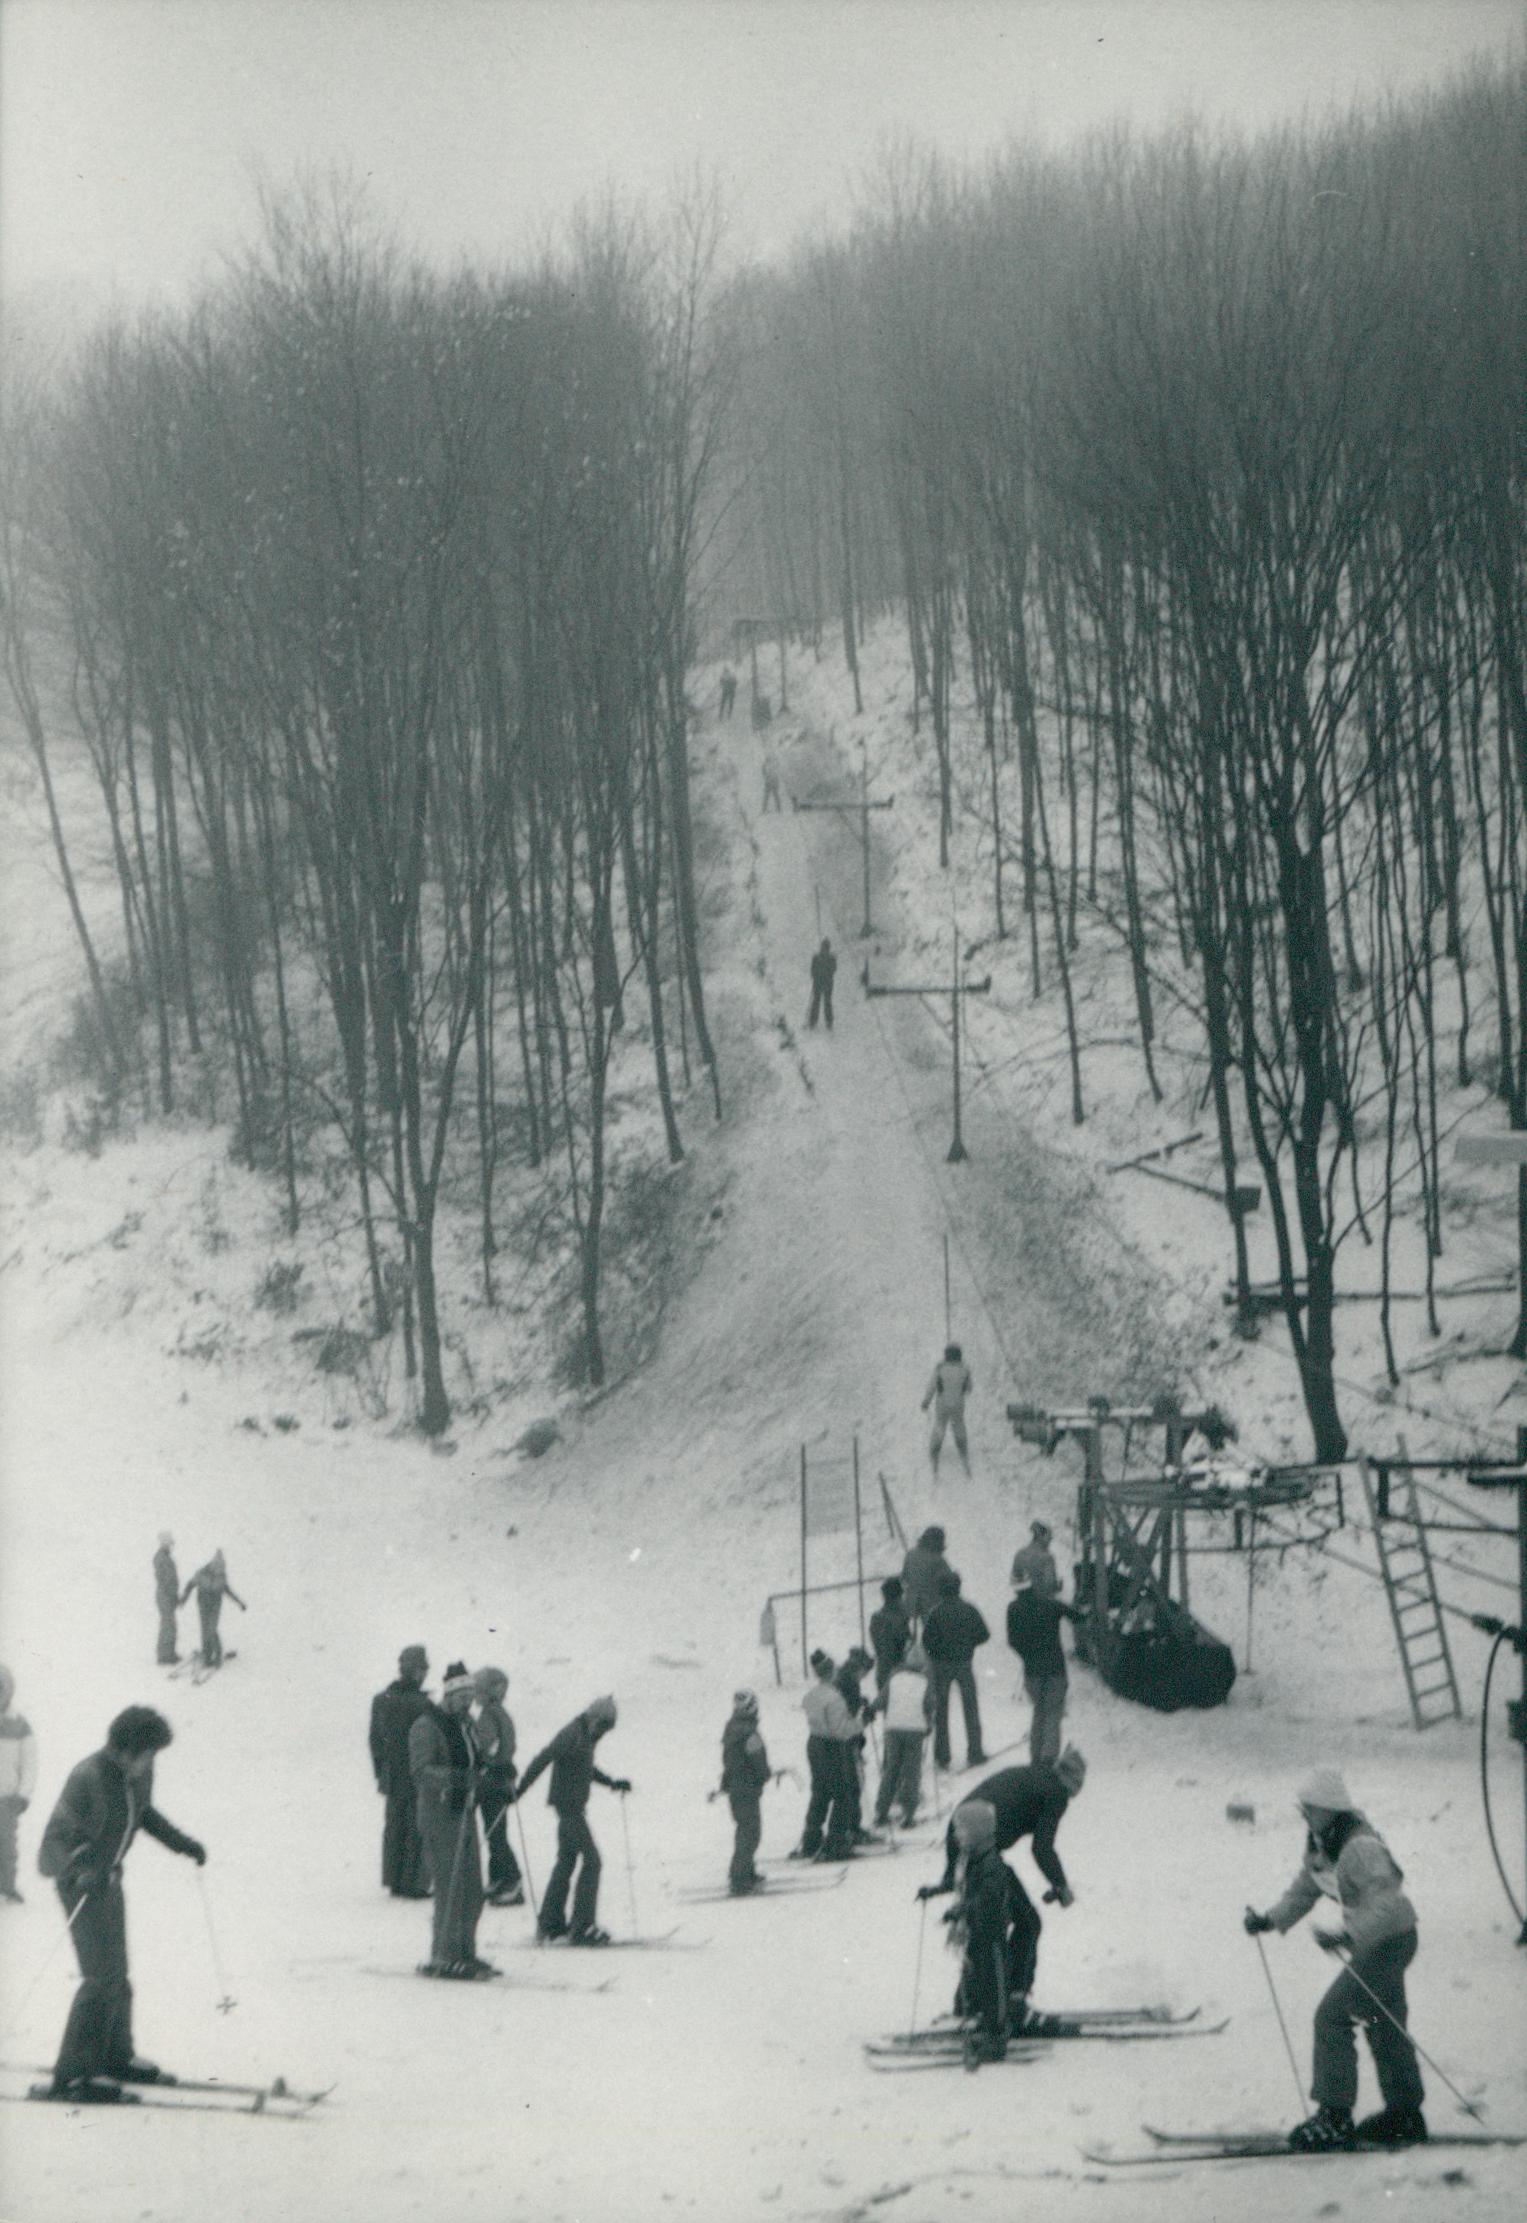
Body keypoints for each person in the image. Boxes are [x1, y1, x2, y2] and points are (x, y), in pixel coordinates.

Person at [1244, 1766, 1426, 2151]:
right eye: (1302, 1808)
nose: (1304, 1814)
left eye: (1309, 1807)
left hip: (1390, 1940)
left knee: (1332, 2015)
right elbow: (1305, 1888)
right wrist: (1269, 1919)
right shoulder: (1325, 1841)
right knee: (1383, 2019)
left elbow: (1391, 1904)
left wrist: (1348, 1934)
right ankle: (1405, 2113)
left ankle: (1334, 2115)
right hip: (1377, 1942)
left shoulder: (1360, 1847)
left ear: (1329, 1807)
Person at [36, 1705, 206, 2100]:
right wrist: (82, 1871)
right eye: (146, 1754)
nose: (150, 1763)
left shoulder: (138, 1773)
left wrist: (181, 1844)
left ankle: (114, 2057)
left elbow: (142, 1814)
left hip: (109, 1882)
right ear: (123, 1749)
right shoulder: (87, 1777)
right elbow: (54, 1842)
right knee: (99, 1978)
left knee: (118, 1974)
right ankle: (75, 2074)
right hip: (79, 1884)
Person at [923, 1750, 1086, 2032]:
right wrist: (1060, 1886)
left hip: (962, 1830)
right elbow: (1042, 1848)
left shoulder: (1037, 1773)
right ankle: (1014, 2003)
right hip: (982, 1845)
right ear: (1072, 1781)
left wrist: (952, 1874)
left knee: (984, 1925)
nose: (1071, 1797)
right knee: (1026, 1922)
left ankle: (971, 2002)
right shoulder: (1056, 1791)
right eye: (1075, 1789)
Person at [514, 1695, 631, 1944]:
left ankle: (549, 1923)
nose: (603, 1733)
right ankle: (582, 1926)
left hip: (573, 1806)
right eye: (603, 1726)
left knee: (566, 1861)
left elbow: (585, 1767)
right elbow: (544, 1758)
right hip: (567, 1807)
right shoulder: (572, 1733)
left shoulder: (587, 1734)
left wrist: (612, 1782)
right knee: (593, 1860)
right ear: (594, 1717)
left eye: (608, 1729)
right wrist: (520, 1789)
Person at [409, 1661, 491, 1978]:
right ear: (449, 1694)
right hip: (439, 1814)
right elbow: (421, 1771)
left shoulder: (465, 1723)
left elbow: (477, 1755)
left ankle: (465, 1951)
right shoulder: (427, 1725)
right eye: (462, 1696)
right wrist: (459, 1778)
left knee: (473, 1888)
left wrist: (493, 1770)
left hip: (465, 1812)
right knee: (450, 1886)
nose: (467, 1702)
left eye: (471, 1696)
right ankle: (443, 1954)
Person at [943, 1800, 1014, 2063]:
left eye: (961, 1831)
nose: (956, 1836)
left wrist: (963, 1910)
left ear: (977, 1833)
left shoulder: (991, 1865)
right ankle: (984, 2022)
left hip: (992, 1935)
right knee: (979, 1979)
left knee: (993, 1983)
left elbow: (987, 1900)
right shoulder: (973, 1860)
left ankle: (996, 2037)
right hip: (978, 1933)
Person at [369, 1646, 432, 1898]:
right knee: (416, 1827)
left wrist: (381, 1771)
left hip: (391, 1776)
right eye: (423, 1669)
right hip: (416, 1775)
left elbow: (374, 1740)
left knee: (394, 1827)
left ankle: (393, 1880)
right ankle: (413, 1883)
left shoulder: (382, 1700)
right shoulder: (423, 1704)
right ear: (417, 1672)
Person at [1005, 1564, 1081, 1766]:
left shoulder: (1013, 1609)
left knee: (1039, 1711)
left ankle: (1035, 1756)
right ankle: (1049, 1757)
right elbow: (1077, 1616)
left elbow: (1012, 1641)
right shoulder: (1051, 1604)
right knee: (1053, 1713)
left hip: (1032, 1672)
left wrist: (1027, 1656)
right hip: (1055, 1668)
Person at [793, 1650, 857, 1862]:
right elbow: (840, 1730)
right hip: (831, 1747)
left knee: (820, 1791)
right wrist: (862, 1722)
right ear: (831, 1672)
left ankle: (811, 1839)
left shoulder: (811, 1696)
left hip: (814, 1743)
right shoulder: (834, 1698)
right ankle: (836, 1842)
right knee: (841, 1793)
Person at [922, 1570, 989, 1770]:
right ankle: (975, 1752)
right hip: (964, 1664)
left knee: (941, 1710)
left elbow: (926, 1642)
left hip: (941, 1665)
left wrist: (938, 1652)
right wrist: (969, 1644)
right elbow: (984, 1634)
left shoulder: (935, 1612)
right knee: (971, 1707)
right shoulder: (969, 1609)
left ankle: (942, 1756)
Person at [473, 1666, 524, 1907]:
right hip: (502, 1779)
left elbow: (486, 1745)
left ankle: (511, 1881)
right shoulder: (501, 1713)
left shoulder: (488, 1715)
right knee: (495, 1830)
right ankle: (497, 1879)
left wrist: (483, 1761)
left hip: (492, 1780)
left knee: (495, 1832)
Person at [872, 1642, 932, 1830]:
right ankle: (909, 1814)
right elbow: (929, 1706)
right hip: (915, 1730)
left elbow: (880, 1702)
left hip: (893, 1729)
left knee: (891, 1770)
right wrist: (929, 1724)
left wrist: (872, 1708)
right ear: (922, 1664)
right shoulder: (925, 1682)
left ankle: (881, 1812)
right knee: (912, 1772)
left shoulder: (895, 1679)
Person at [719, 1690, 771, 1894]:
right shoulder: (750, 1732)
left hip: (735, 1786)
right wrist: (765, 1774)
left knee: (744, 1829)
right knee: (750, 1832)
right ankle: (739, 1877)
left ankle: (745, 1871)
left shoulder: (731, 1729)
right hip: (747, 1787)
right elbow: (758, 1760)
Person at [0, 1666, 37, 1904]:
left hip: (7, 1799)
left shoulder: (20, 1725)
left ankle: (7, 1886)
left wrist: (23, 1795)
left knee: (6, 1846)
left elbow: (30, 1764)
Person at [833, 1647, 877, 1843]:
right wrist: (864, 1717)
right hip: (844, 1741)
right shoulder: (848, 1683)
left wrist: (861, 1702)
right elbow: (848, 1717)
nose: (865, 1676)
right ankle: (851, 1828)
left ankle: (851, 1826)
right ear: (858, 1668)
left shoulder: (844, 1679)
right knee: (852, 1784)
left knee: (851, 1783)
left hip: (841, 1739)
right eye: (865, 1672)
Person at [179, 1549, 245, 1668]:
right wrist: (183, 1599)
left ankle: (218, 1655)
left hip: (215, 1606)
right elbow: (190, 1585)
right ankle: (207, 1654)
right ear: (213, 1565)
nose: (219, 1571)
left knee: (212, 1629)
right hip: (203, 1604)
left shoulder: (222, 1576)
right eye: (218, 1568)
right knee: (205, 1631)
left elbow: (228, 1591)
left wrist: (240, 1603)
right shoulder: (201, 1573)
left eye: (222, 1569)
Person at [921, 1344, 973, 1474]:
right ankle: (962, 1448)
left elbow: (932, 1386)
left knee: (940, 1425)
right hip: (958, 1404)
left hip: (942, 1404)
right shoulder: (965, 1369)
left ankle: (935, 1449)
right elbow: (969, 1388)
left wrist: (926, 1401)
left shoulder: (940, 1369)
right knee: (959, 1426)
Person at [900, 1526, 952, 1632]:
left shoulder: (910, 1554)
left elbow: (904, 1578)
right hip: (931, 1604)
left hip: (911, 1602)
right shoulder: (939, 1561)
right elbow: (949, 1583)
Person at [868, 1577, 912, 1692]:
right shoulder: (900, 1618)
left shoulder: (876, 1617)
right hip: (898, 1672)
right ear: (898, 1597)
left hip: (882, 1671)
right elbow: (907, 1643)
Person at [1009, 1520, 1061, 1599]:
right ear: (1041, 1536)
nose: (1050, 1541)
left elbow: (1014, 1583)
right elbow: (1049, 1587)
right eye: (1049, 1537)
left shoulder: (1020, 1554)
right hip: (1041, 1606)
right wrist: (1057, 1586)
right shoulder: (1047, 1558)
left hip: (1022, 1604)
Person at [153, 1534, 180, 1664]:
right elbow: (165, 1579)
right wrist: (172, 1594)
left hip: (168, 1594)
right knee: (167, 1625)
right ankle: (164, 1656)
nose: (171, 1546)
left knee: (170, 1625)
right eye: (169, 1544)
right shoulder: (161, 1558)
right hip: (165, 1595)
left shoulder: (165, 1557)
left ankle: (169, 1652)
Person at [807, 938, 837, 1030]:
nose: (825, 950)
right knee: (816, 1001)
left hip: (827, 983)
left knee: (827, 1002)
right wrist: (816, 975)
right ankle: (813, 1021)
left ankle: (829, 1022)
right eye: (824, 947)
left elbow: (834, 969)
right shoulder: (816, 957)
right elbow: (812, 969)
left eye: (826, 948)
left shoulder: (831, 958)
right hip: (819, 983)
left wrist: (823, 972)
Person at [761, 746, 784, 812]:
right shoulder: (767, 763)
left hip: (772, 781)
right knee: (769, 796)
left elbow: (764, 771)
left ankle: (778, 809)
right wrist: (766, 777)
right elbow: (763, 771)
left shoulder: (773, 763)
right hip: (770, 781)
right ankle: (765, 809)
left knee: (773, 796)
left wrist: (766, 777)